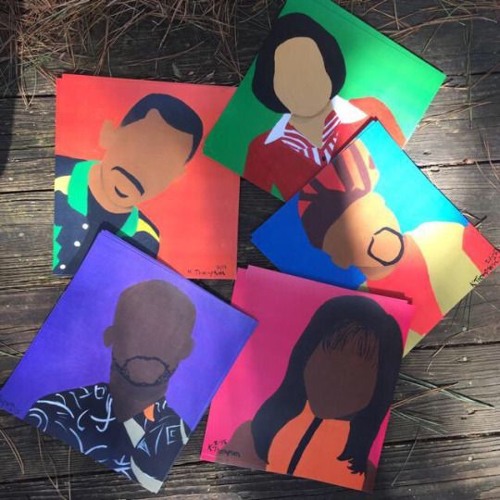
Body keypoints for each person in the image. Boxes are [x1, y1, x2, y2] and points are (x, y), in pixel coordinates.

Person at [299, 140, 493, 353]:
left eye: (375, 210)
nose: (376, 229)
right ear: (340, 258)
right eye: (354, 236)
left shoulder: (450, 236)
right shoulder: (363, 314)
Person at [26, 280, 196, 493]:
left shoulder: (182, 440)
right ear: (111, 337)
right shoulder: (55, 413)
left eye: (167, 337)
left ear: (185, 349)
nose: (150, 345)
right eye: (137, 331)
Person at [218, 296, 403, 492]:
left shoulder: (363, 474)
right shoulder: (249, 435)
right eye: (329, 360)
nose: (336, 380)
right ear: (305, 357)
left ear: (378, 387)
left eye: (357, 372)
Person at [243, 13, 405, 200]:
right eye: (288, 76)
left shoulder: (371, 111)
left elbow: (405, 173)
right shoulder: (261, 149)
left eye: (311, 68)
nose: (303, 85)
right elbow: (254, 201)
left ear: (329, 67)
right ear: (271, 85)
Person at [54, 94, 204, 274]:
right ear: (109, 134)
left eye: (165, 165)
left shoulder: (146, 237)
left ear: (176, 176)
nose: (142, 169)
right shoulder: (55, 174)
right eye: (138, 145)